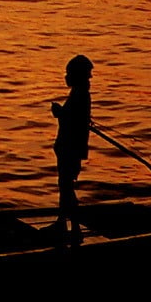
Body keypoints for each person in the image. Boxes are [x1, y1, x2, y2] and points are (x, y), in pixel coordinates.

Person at [50, 55, 93, 236]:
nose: (66, 77)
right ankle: (63, 222)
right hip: (69, 147)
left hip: (70, 148)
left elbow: (72, 120)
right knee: (65, 185)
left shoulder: (80, 94)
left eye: (69, 73)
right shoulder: (79, 93)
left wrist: (59, 112)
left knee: (66, 186)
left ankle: (73, 226)